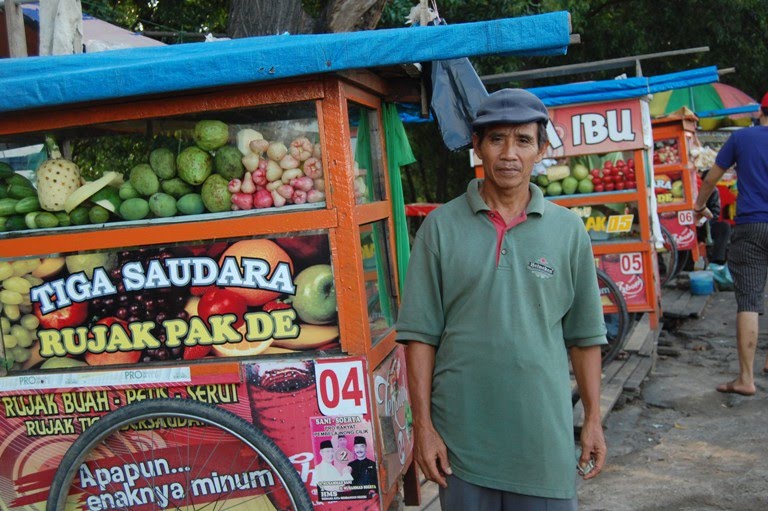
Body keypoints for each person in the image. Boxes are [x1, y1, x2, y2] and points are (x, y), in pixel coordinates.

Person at [395, 88, 607, 511]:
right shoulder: (440, 228)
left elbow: (585, 337)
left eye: (523, 141)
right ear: (477, 146)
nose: (509, 153)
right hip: (461, 446)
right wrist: (424, 427)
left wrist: (593, 421)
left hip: (542, 441)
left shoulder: (567, 231)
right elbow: (420, 338)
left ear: (541, 149)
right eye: (496, 139)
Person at [693, 91, 768, 397]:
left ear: (760, 111)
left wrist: (699, 206)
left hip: (751, 225)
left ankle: (746, 379)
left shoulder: (743, 138)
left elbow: (711, 178)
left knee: (749, 300)